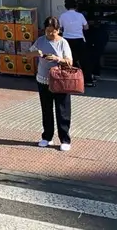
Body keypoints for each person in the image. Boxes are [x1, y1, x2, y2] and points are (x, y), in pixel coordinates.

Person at [30, 16, 74, 152]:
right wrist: (34, 53)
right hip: (43, 80)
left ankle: (65, 139)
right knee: (46, 109)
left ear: (58, 30)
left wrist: (57, 59)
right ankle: (47, 137)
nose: (50, 34)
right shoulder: (40, 40)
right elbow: (27, 54)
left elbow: (70, 61)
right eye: (47, 31)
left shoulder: (63, 43)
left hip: (60, 81)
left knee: (62, 110)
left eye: (53, 31)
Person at [58, 0, 92, 87]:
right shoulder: (80, 15)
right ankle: (87, 80)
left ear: (66, 7)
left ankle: (68, 79)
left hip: (67, 41)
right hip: (79, 40)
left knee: (68, 60)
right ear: (76, 6)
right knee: (84, 60)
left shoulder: (62, 16)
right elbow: (86, 27)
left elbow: (60, 28)